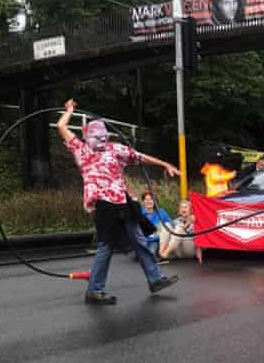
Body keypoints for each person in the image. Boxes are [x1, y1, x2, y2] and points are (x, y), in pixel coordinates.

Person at [58, 99, 180, 305]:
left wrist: (164, 164)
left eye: (102, 135)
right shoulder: (81, 149)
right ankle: (94, 290)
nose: (100, 139)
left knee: (139, 240)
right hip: (104, 205)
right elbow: (61, 126)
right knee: (106, 246)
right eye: (96, 135)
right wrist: (69, 111)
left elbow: (140, 157)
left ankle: (155, 279)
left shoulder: (115, 149)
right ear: (88, 134)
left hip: (123, 202)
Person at [140, 191, 171, 257]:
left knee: (151, 252)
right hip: (143, 240)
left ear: (155, 201)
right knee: (141, 253)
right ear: (143, 202)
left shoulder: (161, 212)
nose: (149, 201)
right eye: (146, 199)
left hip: (155, 240)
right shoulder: (139, 213)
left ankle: (157, 253)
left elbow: (170, 225)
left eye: (151, 199)